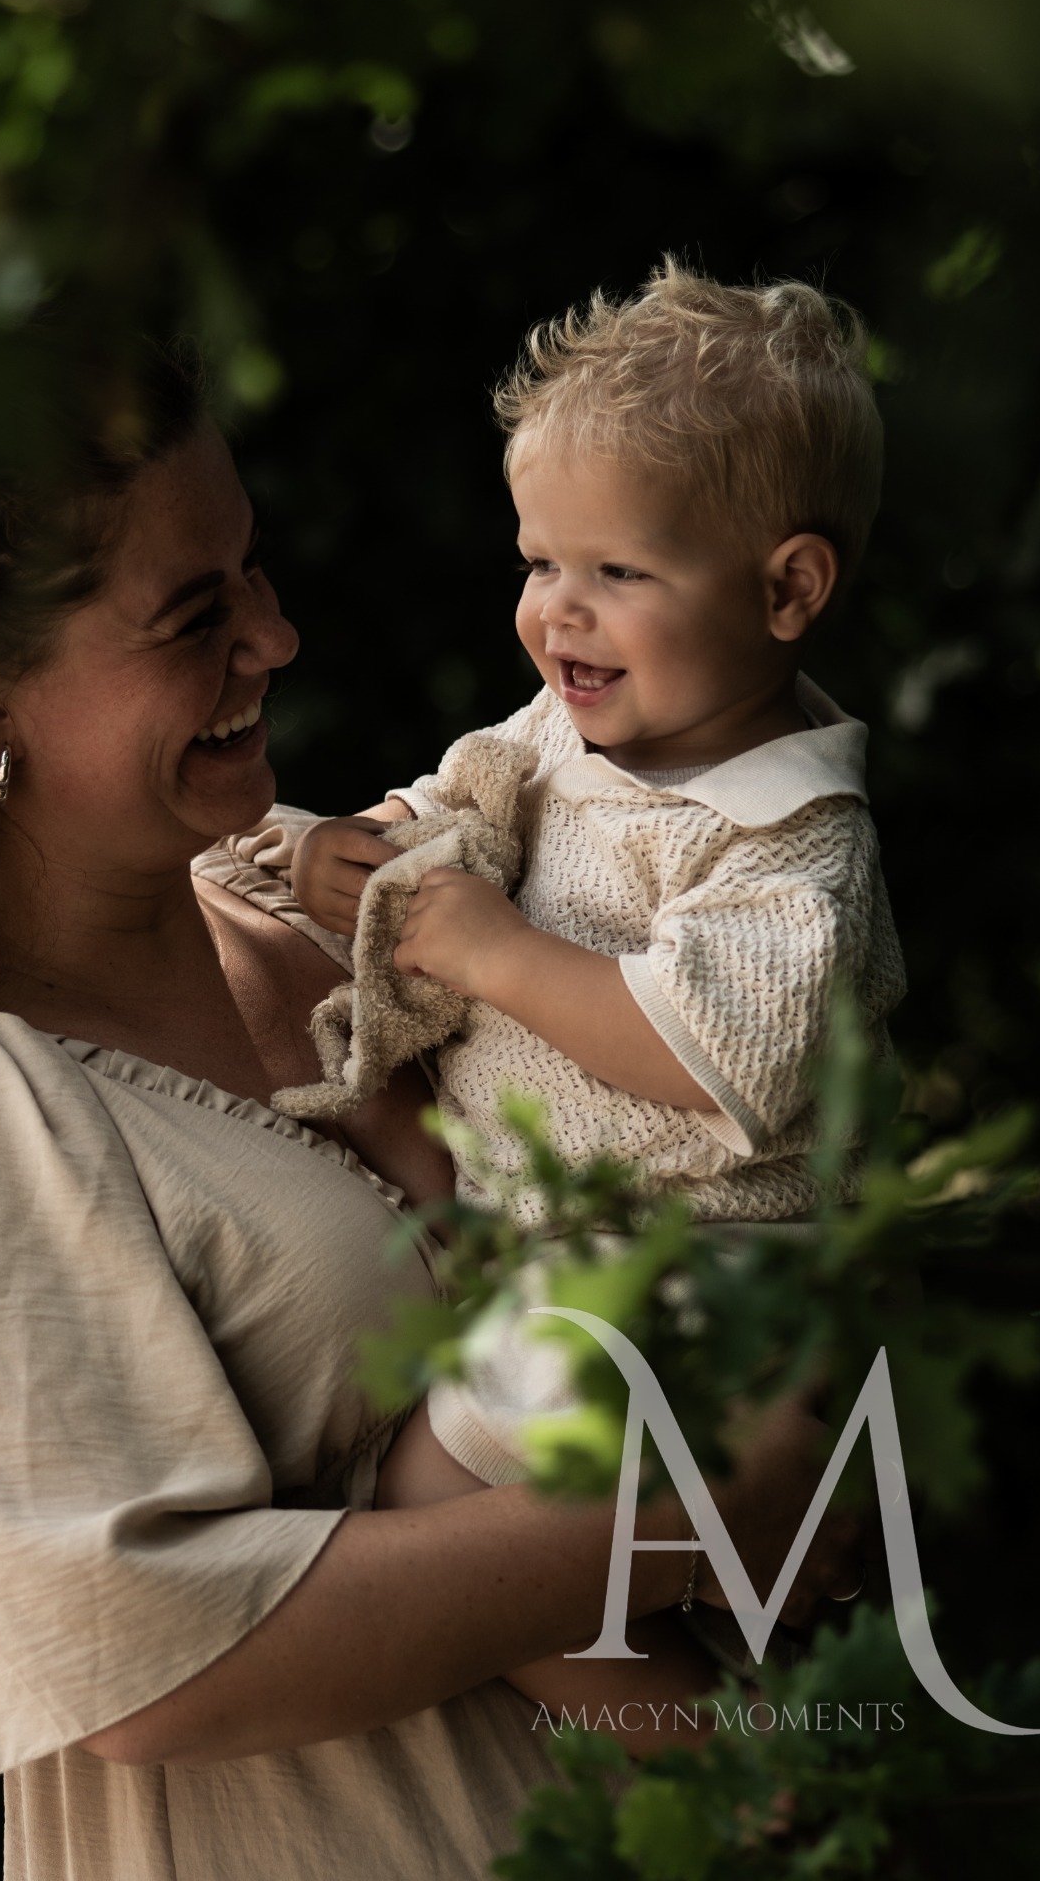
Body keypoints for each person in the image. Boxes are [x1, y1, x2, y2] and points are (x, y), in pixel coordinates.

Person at [0, 329, 867, 1881]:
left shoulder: (335, 917)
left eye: (251, 570)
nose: (275, 636)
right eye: (193, 616)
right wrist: (679, 1509)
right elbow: (152, 1663)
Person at [286, 265, 905, 1702]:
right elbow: (467, 800)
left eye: (617, 574)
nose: (558, 614)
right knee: (492, 1527)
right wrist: (358, 847)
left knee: (445, 1517)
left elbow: (705, 1055)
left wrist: (496, 954)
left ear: (787, 589)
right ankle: (724, 1727)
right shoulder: (572, 728)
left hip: (695, 1275)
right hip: (564, 1256)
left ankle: (711, 1767)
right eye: (539, 564)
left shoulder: (791, 840)